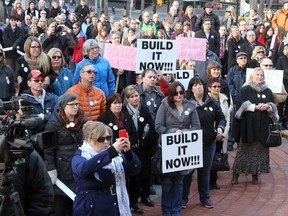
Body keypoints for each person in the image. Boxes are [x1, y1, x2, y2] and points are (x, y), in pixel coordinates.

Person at [71, 121, 141, 215]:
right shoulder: (80, 156)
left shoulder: (115, 156)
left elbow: (135, 169)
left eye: (108, 138)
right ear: (90, 140)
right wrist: (111, 151)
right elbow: (84, 170)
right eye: (101, 139)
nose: (106, 142)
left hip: (115, 206)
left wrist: (128, 153)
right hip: (92, 209)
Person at [155, 81, 201, 215]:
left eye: (181, 92)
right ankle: (166, 211)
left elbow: (197, 126)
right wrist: (173, 132)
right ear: (171, 93)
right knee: (168, 181)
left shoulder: (190, 106)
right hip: (168, 147)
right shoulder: (164, 105)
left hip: (184, 149)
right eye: (176, 93)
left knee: (180, 181)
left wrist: (186, 133)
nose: (179, 95)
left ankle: (176, 210)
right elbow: (158, 126)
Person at [183, 77, 225, 209]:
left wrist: (220, 128)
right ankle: (183, 198)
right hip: (190, 144)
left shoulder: (211, 102)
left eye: (200, 84)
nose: (198, 87)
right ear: (191, 88)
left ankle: (205, 198)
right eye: (195, 85)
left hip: (209, 143)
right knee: (188, 172)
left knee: (205, 172)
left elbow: (221, 117)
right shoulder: (186, 104)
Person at [231, 67, 279, 185]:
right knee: (243, 151)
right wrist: (254, 107)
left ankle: (255, 174)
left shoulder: (267, 91)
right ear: (252, 76)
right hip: (248, 125)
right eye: (257, 75)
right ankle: (236, 174)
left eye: (261, 75)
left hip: (263, 125)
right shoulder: (245, 89)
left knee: (260, 152)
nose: (259, 77)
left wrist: (268, 106)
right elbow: (239, 104)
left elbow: (273, 105)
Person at [44, 93, 86, 216]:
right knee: (61, 204)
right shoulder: (54, 122)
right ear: (63, 106)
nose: (75, 107)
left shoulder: (82, 119)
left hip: (79, 164)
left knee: (77, 204)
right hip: (62, 167)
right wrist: (50, 168)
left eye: (77, 104)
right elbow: (48, 148)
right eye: (72, 104)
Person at [123, 85, 157, 214]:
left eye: (136, 96)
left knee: (145, 173)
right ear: (127, 99)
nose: (135, 99)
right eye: (132, 97)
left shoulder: (144, 109)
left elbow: (151, 127)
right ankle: (133, 201)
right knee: (134, 177)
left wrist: (144, 140)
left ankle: (145, 195)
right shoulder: (124, 112)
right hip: (130, 148)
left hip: (144, 147)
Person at [207, 77, 233, 189]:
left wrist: (224, 133)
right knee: (208, 159)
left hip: (220, 134)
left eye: (218, 86)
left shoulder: (224, 99)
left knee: (216, 157)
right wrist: (213, 133)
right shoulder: (206, 100)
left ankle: (214, 181)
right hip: (209, 134)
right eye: (214, 87)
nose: (217, 88)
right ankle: (206, 183)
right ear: (209, 88)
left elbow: (226, 118)